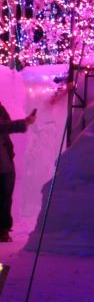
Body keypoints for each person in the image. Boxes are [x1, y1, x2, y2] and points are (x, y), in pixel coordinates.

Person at [1, 103, 37, 242]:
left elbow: (6, 124)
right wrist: (25, 122)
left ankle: (3, 230)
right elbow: (4, 126)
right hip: (4, 162)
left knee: (5, 198)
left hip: (5, 161)